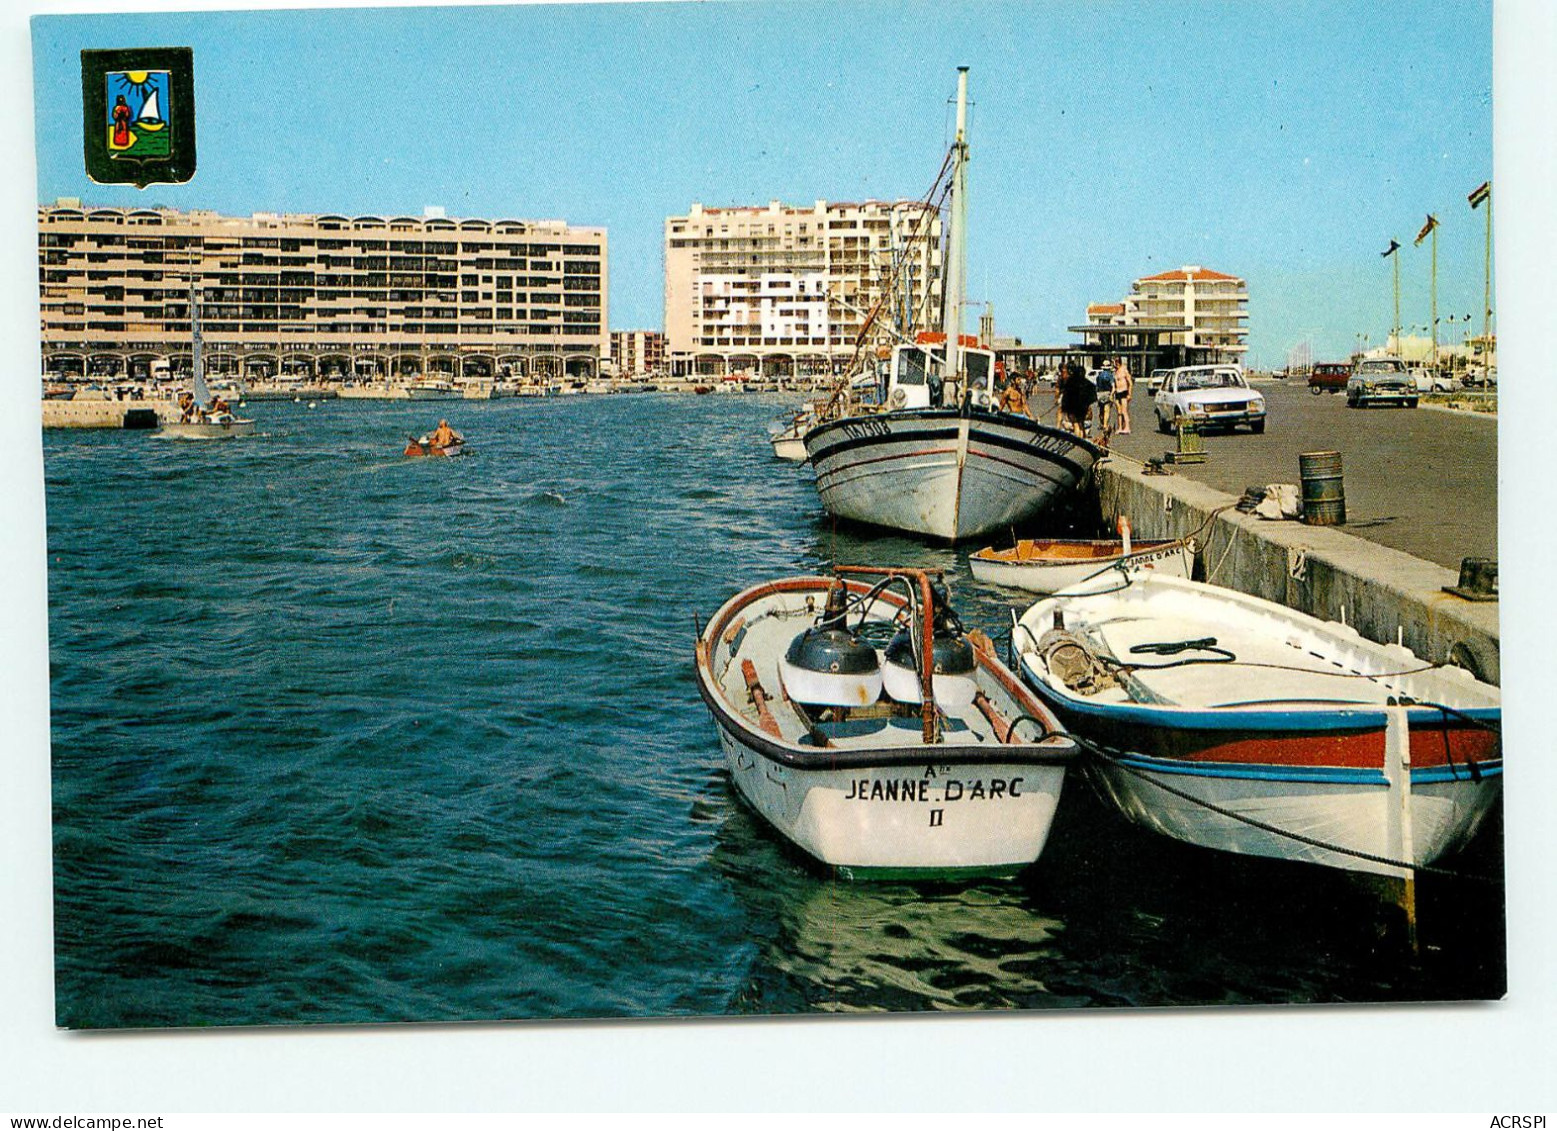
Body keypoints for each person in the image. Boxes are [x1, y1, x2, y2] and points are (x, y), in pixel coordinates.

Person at [1057, 363, 1096, 438]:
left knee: (1075, 424)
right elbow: (1092, 395)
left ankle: (1078, 440)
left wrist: (1065, 407)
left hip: (1072, 407)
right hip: (1083, 407)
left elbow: (1066, 396)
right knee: (1081, 423)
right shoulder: (1087, 383)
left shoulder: (1070, 382)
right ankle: (1083, 438)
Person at [1094, 359, 1116, 446]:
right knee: (1107, 410)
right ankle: (1105, 425)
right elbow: (1113, 386)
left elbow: (1097, 386)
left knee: (1101, 410)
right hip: (1107, 392)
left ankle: (1101, 422)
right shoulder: (1110, 376)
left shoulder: (1099, 376)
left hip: (1099, 393)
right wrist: (1112, 394)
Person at [1114, 356, 1133, 435]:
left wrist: (1129, 393)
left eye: (1116, 362)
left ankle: (1127, 427)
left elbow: (1130, 383)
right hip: (1117, 392)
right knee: (1119, 411)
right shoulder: (1116, 371)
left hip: (1124, 391)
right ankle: (1120, 427)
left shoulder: (1124, 370)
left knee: (1124, 411)